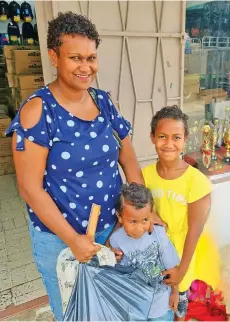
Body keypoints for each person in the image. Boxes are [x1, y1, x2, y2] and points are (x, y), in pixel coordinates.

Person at [6, 12, 144, 321]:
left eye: (92, 58)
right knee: (76, 312)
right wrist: (74, 240)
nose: (86, 67)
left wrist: (138, 213)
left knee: (112, 306)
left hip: (112, 229)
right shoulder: (38, 111)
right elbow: (29, 187)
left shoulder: (103, 101)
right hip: (60, 241)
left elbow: (130, 162)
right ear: (54, 57)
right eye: (75, 58)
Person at [142, 106, 220, 320]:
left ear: (185, 139)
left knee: (178, 307)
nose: (168, 144)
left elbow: (195, 230)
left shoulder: (196, 182)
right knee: (157, 303)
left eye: (176, 137)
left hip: (180, 255)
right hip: (152, 253)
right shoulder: (144, 175)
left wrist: (181, 270)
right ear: (152, 138)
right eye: (162, 136)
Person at [109, 183, 180, 321]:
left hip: (160, 305)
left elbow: (172, 270)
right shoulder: (116, 240)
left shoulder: (159, 234)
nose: (139, 228)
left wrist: (175, 293)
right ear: (120, 217)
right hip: (133, 307)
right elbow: (118, 273)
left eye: (145, 220)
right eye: (133, 222)